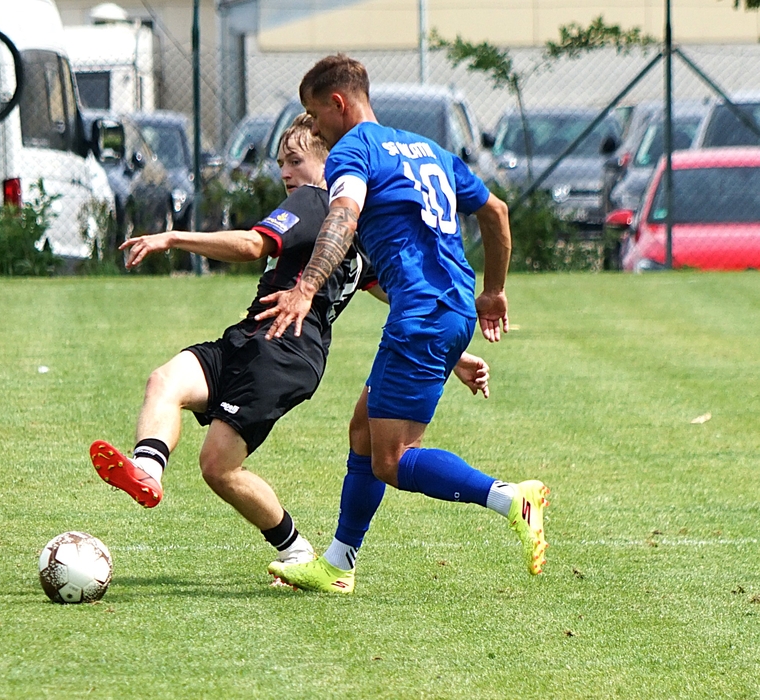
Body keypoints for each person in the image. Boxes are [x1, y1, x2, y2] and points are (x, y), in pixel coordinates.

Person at [89, 114, 492, 571]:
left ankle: (293, 546)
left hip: (280, 350)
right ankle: (150, 472)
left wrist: (174, 237)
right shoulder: (360, 230)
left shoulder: (315, 199)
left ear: (329, 163)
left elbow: (251, 245)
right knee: (176, 401)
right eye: (280, 162)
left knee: (219, 461)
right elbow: (391, 293)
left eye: (295, 160)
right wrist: (453, 356)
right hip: (255, 338)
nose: (285, 172)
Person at [260, 55, 549, 594]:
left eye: (315, 115)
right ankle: (338, 564)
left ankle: (511, 497)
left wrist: (305, 287)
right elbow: (496, 212)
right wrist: (493, 291)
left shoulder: (353, 150)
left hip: (420, 313)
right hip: (449, 306)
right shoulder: (428, 149)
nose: (314, 128)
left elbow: (343, 216)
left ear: (338, 103)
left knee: (392, 461)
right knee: (363, 429)